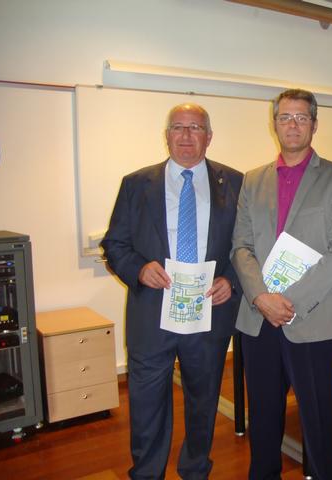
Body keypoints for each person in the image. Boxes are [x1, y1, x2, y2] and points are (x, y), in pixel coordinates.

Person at [101, 103, 243, 479]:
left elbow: (246, 245)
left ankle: (195, 469)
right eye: (178, 127)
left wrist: (231, 280)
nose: (186, 135)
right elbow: (114, 244)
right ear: (166, 136)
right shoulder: (136, 184)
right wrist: (139, 268)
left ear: (209, 137)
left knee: (203, 401)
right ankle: (147, 473)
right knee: (147, 404)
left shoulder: (235, 182)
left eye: (195, 128)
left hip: (208, 311)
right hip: (152, 312)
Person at [231, 88, 332, 479]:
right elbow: (241, 246)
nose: (293, 124)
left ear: (314, 125)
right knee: (264, 417)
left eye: (302, 117)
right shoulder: (253, 180)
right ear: (274, 124)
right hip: (259, 320)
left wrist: (289, 301)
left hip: (313, 319)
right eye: (285, 117)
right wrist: (261, 297)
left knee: (320, 421)